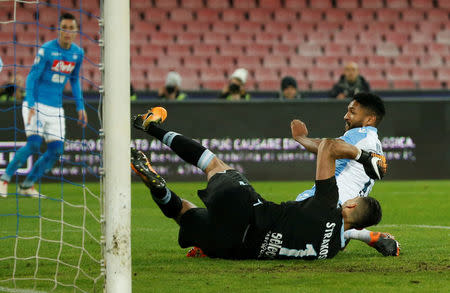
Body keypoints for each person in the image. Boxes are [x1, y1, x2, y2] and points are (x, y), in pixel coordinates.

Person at [130, 106, 386, 260]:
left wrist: (365, 157)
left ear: (350, 206)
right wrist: (372, 237)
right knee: (184, 212)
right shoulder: (330, 250)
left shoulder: (329, 203)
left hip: (246, 209)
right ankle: (160, 189)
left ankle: (151, 126)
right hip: (235, 248)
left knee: (213, 165)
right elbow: (343, 234)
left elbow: (329, 146)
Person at [294, 92, 399, 256]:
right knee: (331, 244)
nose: (346, 116)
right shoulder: (375, 143)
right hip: (350, 212)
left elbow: (327, 146)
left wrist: (301, 138)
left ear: (369, 119)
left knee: (291, 217)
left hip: (330, 205)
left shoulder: (360, 134)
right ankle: (353, 232)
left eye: (352, 112)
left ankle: (368, 236)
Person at [0, 12, 87, 198]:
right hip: (36, 104)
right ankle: (4, 179)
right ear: (58, 29)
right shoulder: (46, 50)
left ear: (76, 31)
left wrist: (80, 106)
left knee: (56, 151)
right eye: (64, 27)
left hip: (56, 108)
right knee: (34, 144)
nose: (67, 32)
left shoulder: (78, 53)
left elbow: (75, 80)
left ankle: (27, 185)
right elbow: (31, 77)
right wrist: (30, 104)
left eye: (71, 28)